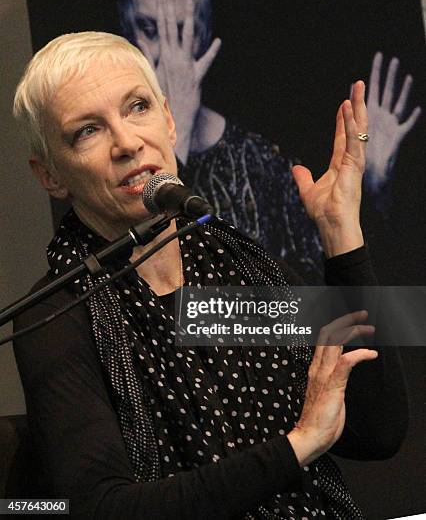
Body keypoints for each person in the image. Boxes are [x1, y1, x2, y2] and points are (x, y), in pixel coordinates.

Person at [13, 32, 408, 519]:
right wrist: (298, 445)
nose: (127, 142)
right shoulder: (60, 314)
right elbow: (105, 509)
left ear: (170, 119)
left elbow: (376, 430)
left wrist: (340, 232)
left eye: (137, 107)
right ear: (50, 175)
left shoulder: (231, 265)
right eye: (87, 131)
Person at [115, 0, 422, 269]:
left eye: (182, 30)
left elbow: (335, 300)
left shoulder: (260, 164)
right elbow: (150, 284)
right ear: (124, 25)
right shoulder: (120, 162)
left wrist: (373, 190)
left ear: (204, 30)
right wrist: (176, 132)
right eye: (150, 28)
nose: (170, 56)